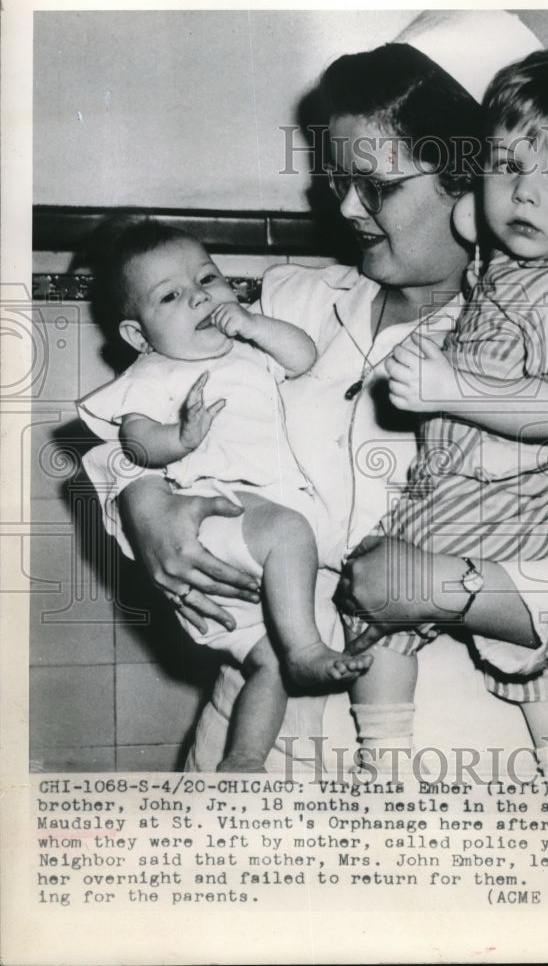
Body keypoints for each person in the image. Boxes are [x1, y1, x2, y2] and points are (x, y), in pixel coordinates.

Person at [83, 23, 548, 777]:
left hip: (449, 756)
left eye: (380, 186)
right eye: (337, 180)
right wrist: (140, 505)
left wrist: (444, 591)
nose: (349, 209)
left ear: (470, 180)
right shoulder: (294, 303)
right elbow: (133, 415)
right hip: (255, 742)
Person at [344, 49, 548, 765]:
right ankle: (391, 765)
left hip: (503, 506)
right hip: (456, 491)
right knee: (538, 677)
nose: (526, 196)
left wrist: (450, 389)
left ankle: (398, 767)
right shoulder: (513, 260)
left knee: (512, 656)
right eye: (507, 168)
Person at [78, 218, 371, 772]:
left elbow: (303, 356)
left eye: (208, 279)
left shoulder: (247, 349)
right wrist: (178, 440)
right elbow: (134, 442)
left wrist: (256, 325)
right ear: (138, 336)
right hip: (219, 515)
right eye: (171, 296)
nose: (199, 297)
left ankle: (243, 758)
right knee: (290, 534)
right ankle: (307, 651)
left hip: (261, 535)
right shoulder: (154, 373)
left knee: (266, 660)